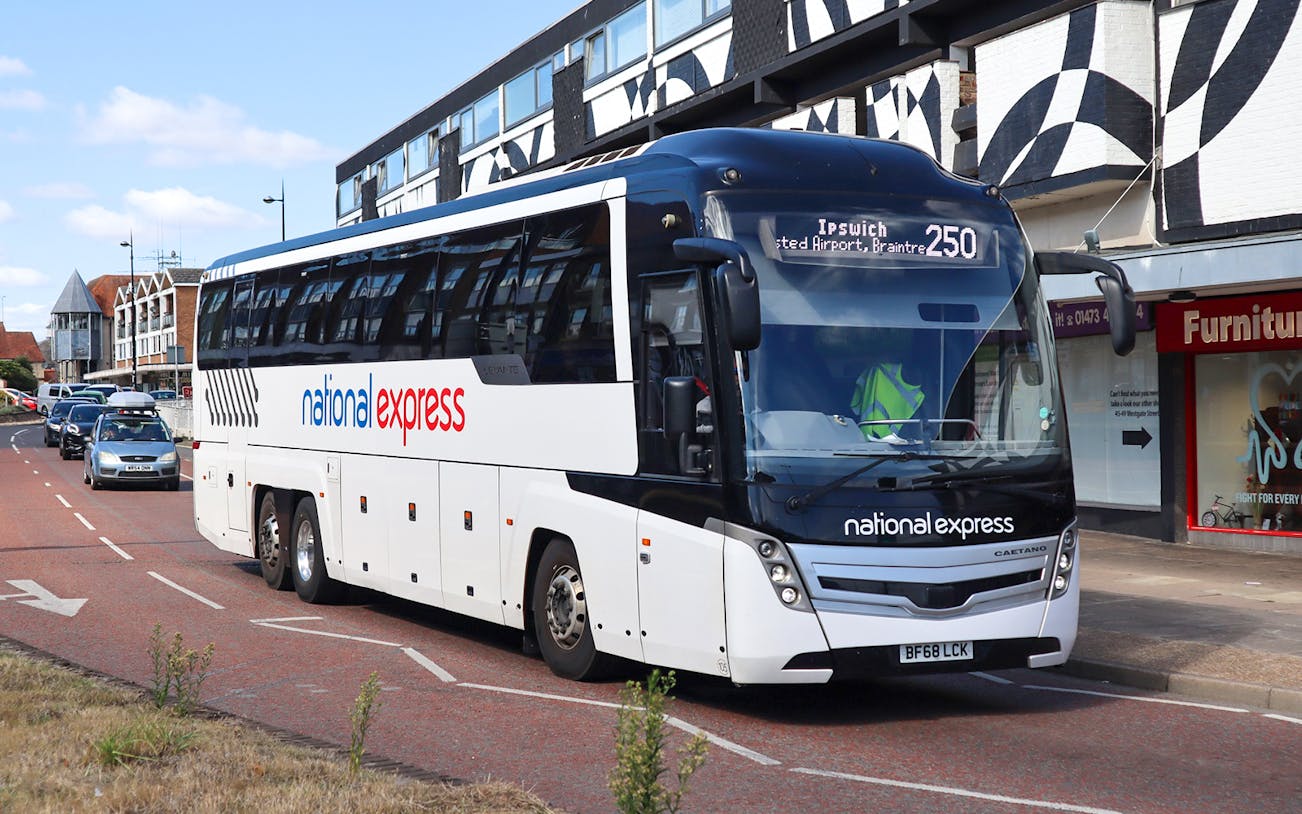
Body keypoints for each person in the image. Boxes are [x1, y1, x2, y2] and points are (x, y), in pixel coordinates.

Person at [851, 330, 925, 440]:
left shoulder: (928, 398)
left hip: (891, 444)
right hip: (869, 444)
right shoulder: (876, 372)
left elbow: (855, 406)